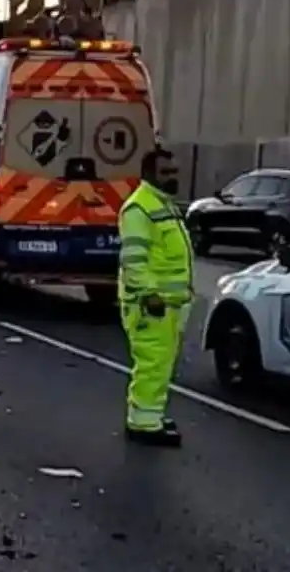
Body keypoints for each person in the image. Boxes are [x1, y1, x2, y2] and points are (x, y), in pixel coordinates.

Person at [117, 146, 194, 448]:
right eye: (166, 172)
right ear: (149, 174)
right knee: (152, 364)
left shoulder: (162, 203)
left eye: (174, 171)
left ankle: (152, 415)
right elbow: (134, 259)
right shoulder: (139, 208)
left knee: (160, 364)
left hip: (168, 304)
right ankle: (143, 424)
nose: (172, 177)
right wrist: (148, 294)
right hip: (152, 305)